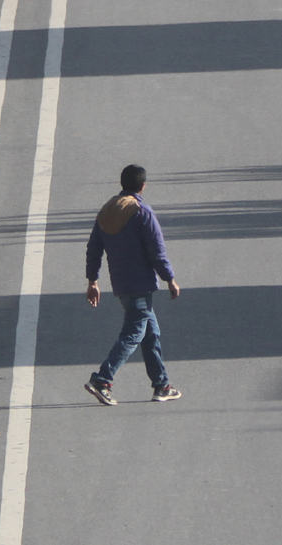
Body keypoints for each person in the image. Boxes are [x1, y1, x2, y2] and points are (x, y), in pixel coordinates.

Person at [83, 164, 182, 406]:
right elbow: (157, 252)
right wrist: (170, 279)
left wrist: (93, 281)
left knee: (150, 333)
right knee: (134, 332)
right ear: (142, 186)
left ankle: (162, 385)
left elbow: (94, 249)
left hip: (121, 284)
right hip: (141, 284)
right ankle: (102, 379)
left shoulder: (107, 211)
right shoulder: (142, 212)